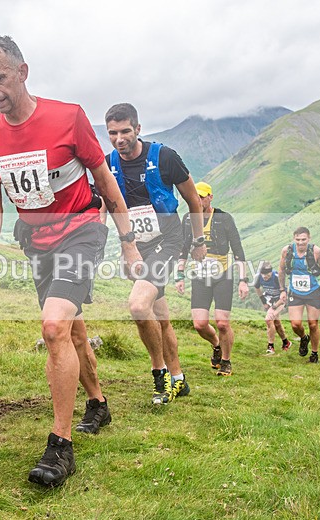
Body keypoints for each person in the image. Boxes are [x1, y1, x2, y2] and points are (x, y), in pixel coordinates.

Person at [0, 36, 142, 487]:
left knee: (53, 327)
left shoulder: (67, 118)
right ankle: (98, 403)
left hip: (82, 231)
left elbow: (105, 180)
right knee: (72, 327)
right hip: (37, 242)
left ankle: (60, 446)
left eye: (0, 78)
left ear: (23, 72)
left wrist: (127, 242)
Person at [104, 103, 205, 404]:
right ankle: (178, 380)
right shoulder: (109, 164)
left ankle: (158, 373)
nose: (119, 138)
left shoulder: (165, 157)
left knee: (137, 305)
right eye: (112, 133)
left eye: (125, 131)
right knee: (160, 315)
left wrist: (198, 242)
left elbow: (194, 202)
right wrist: (125, 247)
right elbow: (106, 205)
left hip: (170, 240)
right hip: (138, 244)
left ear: (137, 128)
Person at [175, 182, 249, 376]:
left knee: (222, 323)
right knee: (199, 324)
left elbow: (238, 250)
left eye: (202, 197)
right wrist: (180, 276)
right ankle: (216, 345)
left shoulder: (224, 218)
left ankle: (226, 361)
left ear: (210, 197)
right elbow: (183, 250)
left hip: (223, 275)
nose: (198, 201)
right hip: (200, 276)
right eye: (195, 197)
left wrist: (243, 280)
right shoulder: (188, 219)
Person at [277, 227, 320, 363]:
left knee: (313, 324)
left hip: (313, 292)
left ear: (309, 238)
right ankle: (304, 337)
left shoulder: (316, 252)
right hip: (295, 292)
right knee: (295, 324)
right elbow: (281, 270)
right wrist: (282, 290)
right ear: (294, 239)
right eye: (298, 240)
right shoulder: (287, 251)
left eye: (303, 239)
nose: (301, 243)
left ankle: (314, 353)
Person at [253, 261, 292, 353]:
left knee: (268, 319)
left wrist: (276, 305)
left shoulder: (276, 277)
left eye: (267, 274)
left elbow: (284, 294)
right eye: (263, 274)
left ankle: (271, 347)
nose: (264, 276)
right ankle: (286, 342)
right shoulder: (259, 277)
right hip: (269, 299)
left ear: (271, 272)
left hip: (280, 300)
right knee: (277, 323)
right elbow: (257, 288)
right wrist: (264, 302)